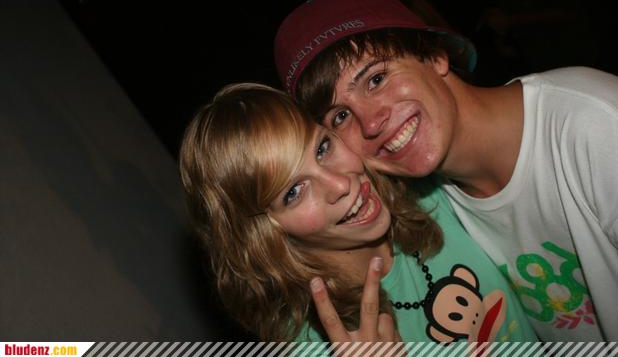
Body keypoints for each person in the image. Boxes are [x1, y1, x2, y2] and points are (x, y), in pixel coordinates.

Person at [273, 0, 618, 341]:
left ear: (435, 56)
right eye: (341, 116)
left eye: (376, 79)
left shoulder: (596, 128)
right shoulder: (428, 203)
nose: (371, 123)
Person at [179, 82, 537, 348]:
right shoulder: (314, 345)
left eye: (322, 148)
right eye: (293, 193)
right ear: (261, 236)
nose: (339, 183)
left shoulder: (428, 190)